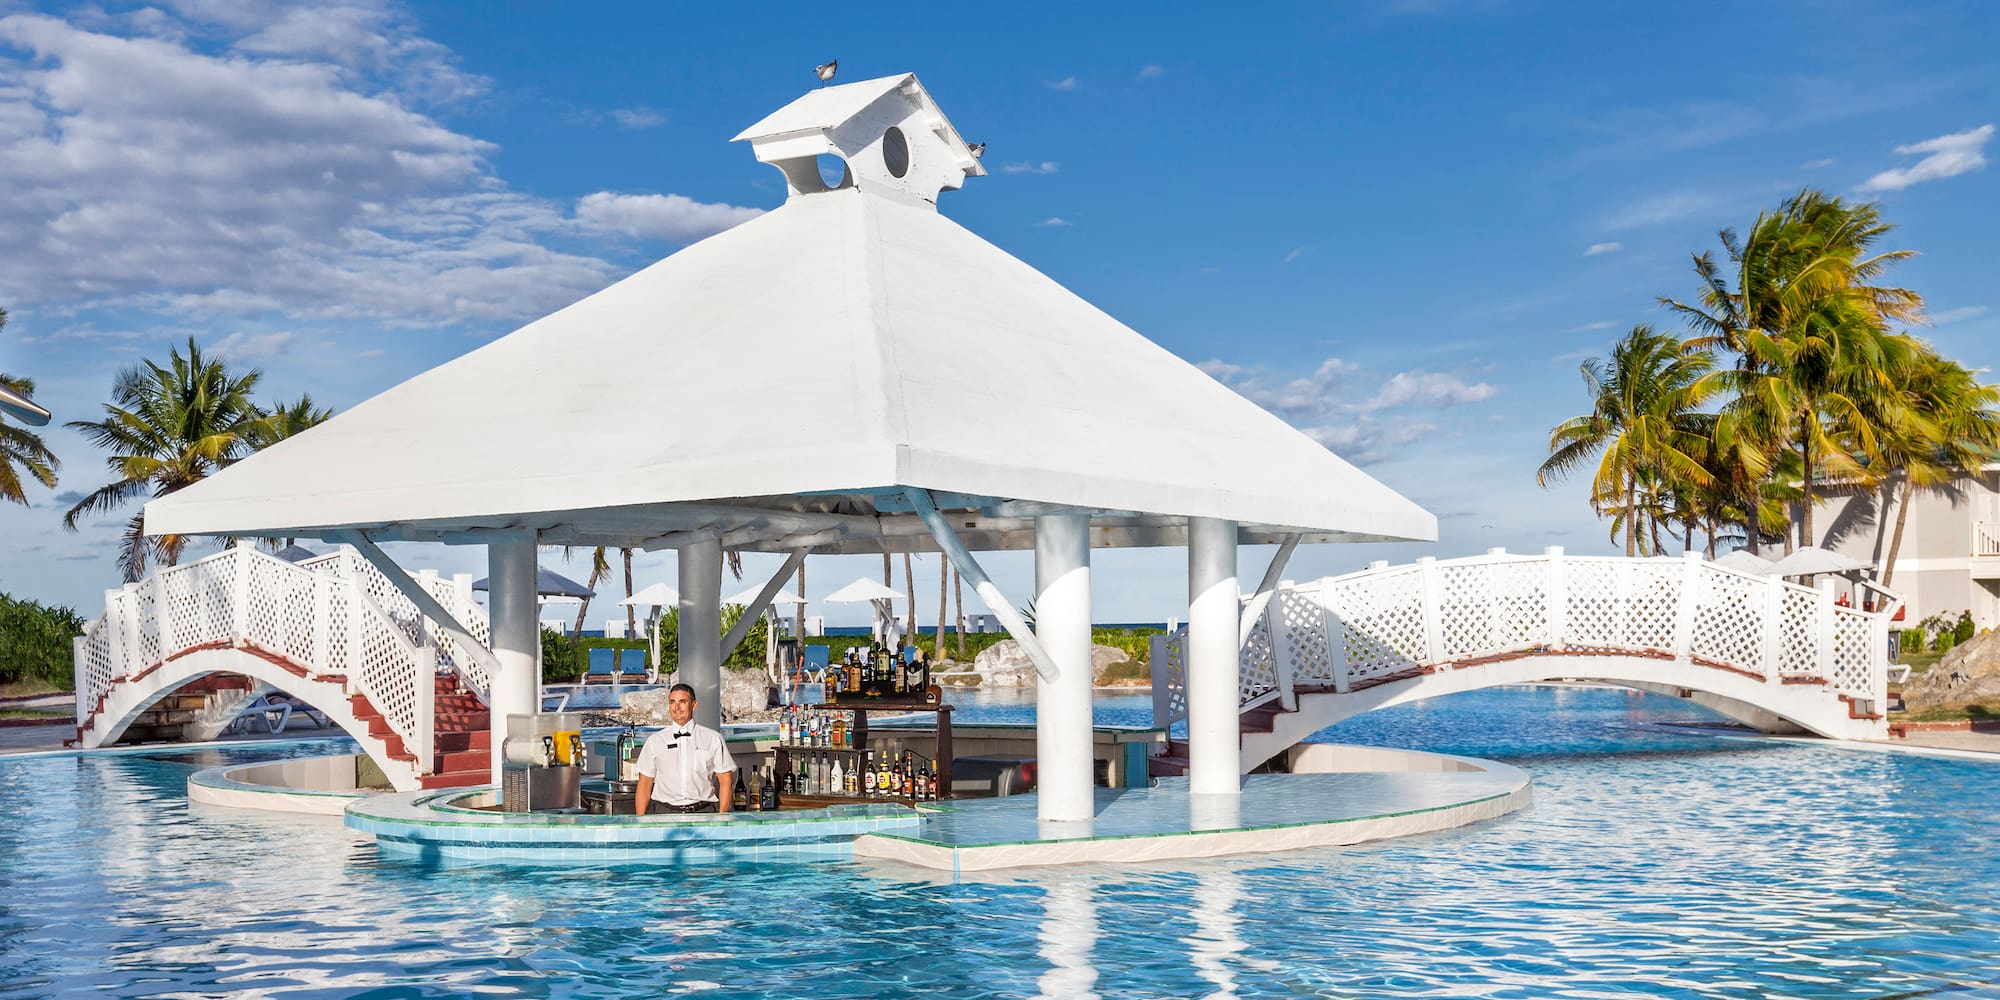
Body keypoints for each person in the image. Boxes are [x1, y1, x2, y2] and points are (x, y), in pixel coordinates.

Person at [634, 684, 736, 814]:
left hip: (703, 812)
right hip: (664, 813)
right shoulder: (655, 741)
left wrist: (722, 816)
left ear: (694, 705)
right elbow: (645, 784)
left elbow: (726, 780)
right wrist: (640, 822)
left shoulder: (713, 739)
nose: (676, 707)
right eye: (672, 702)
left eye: (682, 702)